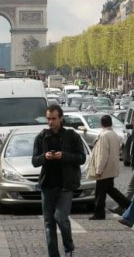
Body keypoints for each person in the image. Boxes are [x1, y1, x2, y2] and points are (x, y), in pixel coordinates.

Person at [32, 105, 86, 257]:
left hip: (65, 184)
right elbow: (34, 161)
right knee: (49, 223)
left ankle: (68, 248)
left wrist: (63, 156)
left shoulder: (72, 135)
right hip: (47, 184)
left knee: (61, 218)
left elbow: (81, 158)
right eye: (48, 119)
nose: (50, 122)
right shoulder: (42, 136)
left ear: (61, 118)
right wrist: (45, 157)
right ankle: (53, 254)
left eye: (53, 119)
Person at [88, 114, 131, 220]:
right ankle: (127, 204)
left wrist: (99, 169)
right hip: (112, 167)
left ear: (101, 124)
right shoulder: (114, 134)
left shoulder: (104, 135)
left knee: (100, 192)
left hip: (105, 168)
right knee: (109, 189)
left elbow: (103, 154)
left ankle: (99, 213)